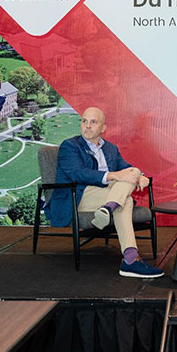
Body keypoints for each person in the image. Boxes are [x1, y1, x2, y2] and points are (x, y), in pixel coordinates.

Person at [49, 107, 164, 279]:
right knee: (125, 200)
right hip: (77, 196)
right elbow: (78, 174)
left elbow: (126, 169)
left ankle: (109, 208)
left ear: (103, 128)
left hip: (104, 195)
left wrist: (141, 177)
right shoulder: (70, 146)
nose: (87, 126)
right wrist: (113, 175)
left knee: (133, 172)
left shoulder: (110, 148)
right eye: (84, 121)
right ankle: (130, 259)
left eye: (93, 122)